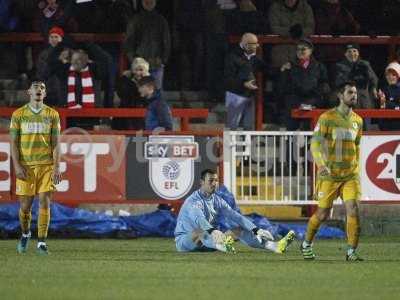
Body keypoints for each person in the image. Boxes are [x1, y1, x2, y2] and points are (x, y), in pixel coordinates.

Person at [301, 81, 363, 261]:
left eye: (355, 93)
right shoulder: (327, 118)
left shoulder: (358, 121)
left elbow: (357, 146)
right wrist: (321, 165)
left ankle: (351, 251)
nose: (354, 96)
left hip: (350, 175)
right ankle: (306, 243)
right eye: (350, 93)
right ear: (340, 96)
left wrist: (356, 166)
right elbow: (315, 144)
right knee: (322, 214)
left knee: (353, 210)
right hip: (330, 175)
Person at [174, 169, 296, 253]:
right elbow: (199, 220)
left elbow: (235, 216)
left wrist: (256, 229)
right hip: (186, 242)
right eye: (210, 181)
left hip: (211, 241)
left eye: (216, 181)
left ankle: (275, 246)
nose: (214, 184)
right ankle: (221, 244)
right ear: (201, 182)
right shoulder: (193, 201)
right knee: (199, 231)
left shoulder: (217, 199)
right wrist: (212, 231)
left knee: (239, 230)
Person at [9, 81, 61, 255]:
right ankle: (25, 233)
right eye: (36, 87)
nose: (39, 89)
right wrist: (17, 166)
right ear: (29, 92)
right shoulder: (18, 114)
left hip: (46, 165)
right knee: (25, 207)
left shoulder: (52, 115)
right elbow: (14, 143)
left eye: (43, 88)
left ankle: (41, 242)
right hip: (26, 166)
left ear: (44, 94)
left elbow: (56, 144)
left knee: (45, 201)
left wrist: (56, 167)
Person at [280, 38, 330, 130]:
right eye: (298, 49)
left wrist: (313, 98)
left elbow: (324, 85)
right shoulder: (289, 66)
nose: (300, 51)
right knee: (291, 130)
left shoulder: (319, 66)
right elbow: (284, 86)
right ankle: (292, 144)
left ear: (310, 51)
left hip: (313, 102)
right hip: (294, 103)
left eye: (303, 49)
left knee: (310, 129)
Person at [124, 0, 171, 90]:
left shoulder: (161, 20)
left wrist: (163, 60)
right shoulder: (135, 20)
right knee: (140, 94)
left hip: (156, 64)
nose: (148, 2)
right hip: (139, 64)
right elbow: (129, 42)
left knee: (156, 93)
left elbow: (166, 41)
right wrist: (133, 60)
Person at [224, 32, 266, 130]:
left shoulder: (254, 58)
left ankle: (247, 146)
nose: (257, 46)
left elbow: (266, 68)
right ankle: (230, 145)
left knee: (248, 127)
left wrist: (283, 68)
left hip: (249, 95)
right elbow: (228, 79)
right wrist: (244, 84)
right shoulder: (232, 57)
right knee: (232, 126)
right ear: (246, 45)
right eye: (255, 44)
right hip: (235, 96)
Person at [113, 57, 150, 130]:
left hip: (142, 118)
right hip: (125, 117)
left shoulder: (150, 83)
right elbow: (123, 95)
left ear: (145, 71)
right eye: (136, 70)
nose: (138, 73)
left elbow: (149, 100)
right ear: (132, 70)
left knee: (139, 139)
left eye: (141, 70)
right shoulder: (125, 81)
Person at [377, 62, 400, 130]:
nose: (390, 77)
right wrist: (382, 103)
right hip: (386, 126)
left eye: (393, 75)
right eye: (388, 75)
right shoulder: (383, 89)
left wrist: (389, 105)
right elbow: (381, 109)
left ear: (398, 76)